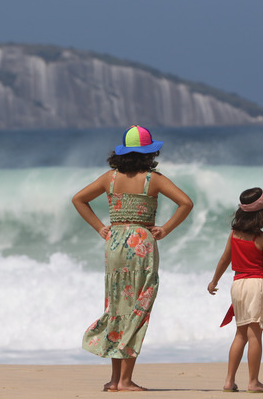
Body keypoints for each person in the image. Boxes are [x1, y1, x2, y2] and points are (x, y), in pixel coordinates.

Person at [72, 125, 193, 392]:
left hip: (114, 242)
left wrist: (99, 227)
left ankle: (115, 380)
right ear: (149, 153)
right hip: (141, 244)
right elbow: (186, 203)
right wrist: (166, 228)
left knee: (117, 307)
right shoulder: (154, 179)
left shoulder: (110, 178)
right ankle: (125, 381)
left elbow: (79, 199)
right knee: (138, 309)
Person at [207, 187, 263, 393]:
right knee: (255, 335)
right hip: (257, 285)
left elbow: (225, 259)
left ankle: (229, 381)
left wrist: (214, 281)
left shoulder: (234, 235)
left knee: (240, 334)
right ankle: (253, 382)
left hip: (237, 285)